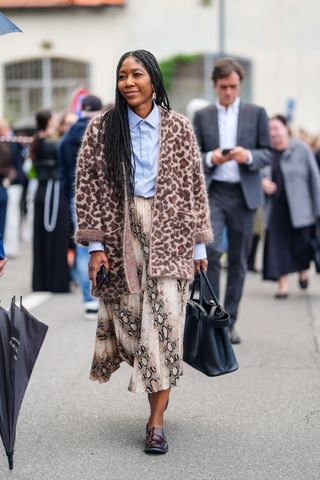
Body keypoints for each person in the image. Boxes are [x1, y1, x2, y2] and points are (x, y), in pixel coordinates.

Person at [75, 49, 212, 454]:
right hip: (121, 237)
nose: (128, 82)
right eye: (122, 76)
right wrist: (96, 247)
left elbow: (193, 187)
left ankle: (156, 422)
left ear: (154, 79)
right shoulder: (102, 127)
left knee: (165, 324)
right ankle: (151, 377)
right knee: (133, 323)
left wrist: (199, 244)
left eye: (136, 74)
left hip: (172, 234)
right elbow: (89, 187)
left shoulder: (179, 128)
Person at [193, 57, 272, 344]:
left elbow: (267, 152)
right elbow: (192, 156)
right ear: (215, 85)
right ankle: (213, 319)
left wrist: (248, 156)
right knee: (211, 253)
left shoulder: (256, 113)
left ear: (240, 85)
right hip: (214, 192)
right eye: (224, 86)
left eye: (234, 86)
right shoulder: (202, 116)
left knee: (238, 258)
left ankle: (230, 322)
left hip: (244, 193)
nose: (229, 92)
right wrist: (210, 158)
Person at [262, 115, 320, 297]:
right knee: (277, 247)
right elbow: (254, 176)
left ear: (286, 128)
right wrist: (261, 184)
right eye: (269, 129)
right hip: (275, 208)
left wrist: (318, 208)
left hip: (300, 208)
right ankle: (283, 285)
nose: (273, 132)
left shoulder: (301, 149)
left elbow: (314, 179)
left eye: (276, 128)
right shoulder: (265, 152)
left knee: (302, 245)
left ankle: (303, 272)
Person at [58, 95, 103, 317]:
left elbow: (64, 175)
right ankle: (105, 292)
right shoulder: (101, 133)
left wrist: (69, 198)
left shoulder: (66, 138)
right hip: (103, 197)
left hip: (77, 198)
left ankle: (89, 298)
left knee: (84, 247)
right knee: (107, 244)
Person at [30, 110, 70, 293]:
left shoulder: (38, 140)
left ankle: (42, 280)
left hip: (43, 190)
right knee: (56, 236)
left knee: (43, 237)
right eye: (53, 118)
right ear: (48, 121)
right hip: (52, 192)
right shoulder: (50, 143)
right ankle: (55, 281)